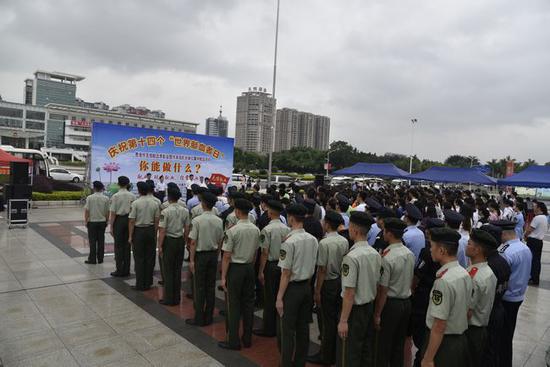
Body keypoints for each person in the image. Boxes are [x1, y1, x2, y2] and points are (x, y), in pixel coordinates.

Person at [421, 227, 472, 367]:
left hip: (443, 344)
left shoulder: (443, 281)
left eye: (432, 246)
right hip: (458, 340)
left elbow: (439, 325)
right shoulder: (464, 273)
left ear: (442, 250)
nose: (430, 249)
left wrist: (428, 358)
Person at [276, 204, 319, 367]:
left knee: (286, 331)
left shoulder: (289, 242)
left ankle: (286, 363)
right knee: (303, 329)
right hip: (306, 288)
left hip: (292, 289)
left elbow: (286, 273)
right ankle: (300, 362)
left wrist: (279, 298)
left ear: (291, 218)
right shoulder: (313, 240)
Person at [337, 211, 381, 367]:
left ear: (354, 230)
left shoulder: (352, 257)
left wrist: (343, 320)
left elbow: (349, 292)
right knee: (365, 350)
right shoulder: (375, 254)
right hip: (368, 306)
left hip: (354, 311)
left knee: (348, 352)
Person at [219, 198, 260, 350]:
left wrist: (223, 277)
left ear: (237, 211)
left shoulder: (232, 231)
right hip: (249, 267)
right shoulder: (256, 229)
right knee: (249, 304)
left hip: (236, 269)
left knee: (233, 305)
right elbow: (256, 252)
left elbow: (227, 256)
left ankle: (233, 340)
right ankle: (247, 338)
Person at [307, 210, 348, 365]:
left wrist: (317, 290)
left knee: (326, 321)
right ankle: (334, 353)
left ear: (328, 224)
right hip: (339, 281)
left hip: (328, 283)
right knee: (334, 317)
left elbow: (322, 270)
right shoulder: (343, 241)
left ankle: (325, 355)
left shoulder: (324, 243)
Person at [374, 218, 415, 367]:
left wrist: (377, 314)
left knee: (383, 345)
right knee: (398, 345)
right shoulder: (409, 253)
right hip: (406, 302)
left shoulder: (387, 257)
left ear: (389, 234)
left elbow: (383, 289)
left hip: (391, 305)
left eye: (385, 231)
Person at [492, 219, 532, 367]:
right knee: (508, 334)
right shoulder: (524, 247)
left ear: (502, 234)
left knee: (500, 337)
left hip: (506, 298)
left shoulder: (505, 251)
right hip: (519, 296)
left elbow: (500, 278)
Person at [410, 218, 444, 367]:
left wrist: (412, 289)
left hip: (424, 297)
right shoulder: (451, 248)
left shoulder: (427, 251)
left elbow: (417, 275)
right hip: (434, 295)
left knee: (422, 334)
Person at [186, 191, 224, 326]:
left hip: (201, 256)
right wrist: (217, 253)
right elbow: (220, 240)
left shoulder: (197, 220)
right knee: (210, 286)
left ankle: (199, 317)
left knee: (199, 287)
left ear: (203, 204)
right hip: (213, 255)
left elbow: (193, 242)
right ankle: (209, 316)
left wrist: (191, 260)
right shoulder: (219, 220)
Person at [254, 200, 291, 337]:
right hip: (283, 266)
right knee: (280, 296)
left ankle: (268, 328)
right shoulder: (287, 229)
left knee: (269, 297)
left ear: (269, 212)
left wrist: (261, 271)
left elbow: (264, 252)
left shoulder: (267, 230)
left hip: (270, 265)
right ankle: (278, 326)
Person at [478, 223, 511, 367]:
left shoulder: (488, 265)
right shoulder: (502, 261)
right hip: (498, 309)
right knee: (493, 349)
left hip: (488, 312)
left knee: (485, 351)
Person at [464, 229, 497, 367]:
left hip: (471, 330)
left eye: (469, 243)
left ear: (477, 250)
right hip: (481, 329)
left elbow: (467, 312)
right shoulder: (488, 271)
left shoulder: (474, 277)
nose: (466, 245)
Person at [157, 187, 189, 305]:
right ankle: (177, 297)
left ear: (169, 197)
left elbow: (162, 230)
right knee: (177, 269)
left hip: (169, 241)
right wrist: (185, 241)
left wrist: (160, 245)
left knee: (168, 270)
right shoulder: (185, 210)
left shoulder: (165, 211)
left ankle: (169, 298)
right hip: (180, 240)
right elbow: (187, 228)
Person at [128, 181, 160, 291]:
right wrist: (155, 233)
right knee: (150, 257)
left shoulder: (136, 203)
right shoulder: (155, 203)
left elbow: (132, 221)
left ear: (139, 190)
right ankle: (148, 282)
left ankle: (140, 284)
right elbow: (156, 221)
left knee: (139, 258)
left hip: (139, 231)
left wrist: (130, 236)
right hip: (150, 230)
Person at [109, 176, 135, 277]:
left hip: (119, 221)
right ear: (128, 184)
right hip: (129, 219)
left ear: (118, 184)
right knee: (127, 245)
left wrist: (111, 226)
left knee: (118, 246)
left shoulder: (115, 196)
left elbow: (113, 212)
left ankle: (119, 269)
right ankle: (126, 269)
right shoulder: (132, 196)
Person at [84, 181, 110, 265]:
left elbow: (87, 210)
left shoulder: (90, 198)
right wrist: (107, 221)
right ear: (101, 188)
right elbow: (107, 211)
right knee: (101, 240)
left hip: (92, 222)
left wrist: (86, 220)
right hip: (102, 222)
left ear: (94, 188)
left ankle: (92, 259)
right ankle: (100, 259)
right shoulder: (106, 198)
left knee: (92, 241)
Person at [524, 201, 548, 285]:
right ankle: (535, 278)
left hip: (533, 241)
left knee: (532, 260)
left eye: (534, 206)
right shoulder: (545, 217)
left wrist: (525, 236)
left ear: (539, 208)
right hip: (539, 241)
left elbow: (530, 229)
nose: (533, 208)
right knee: (537, 260)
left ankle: (532, 278)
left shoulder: (537, 218)